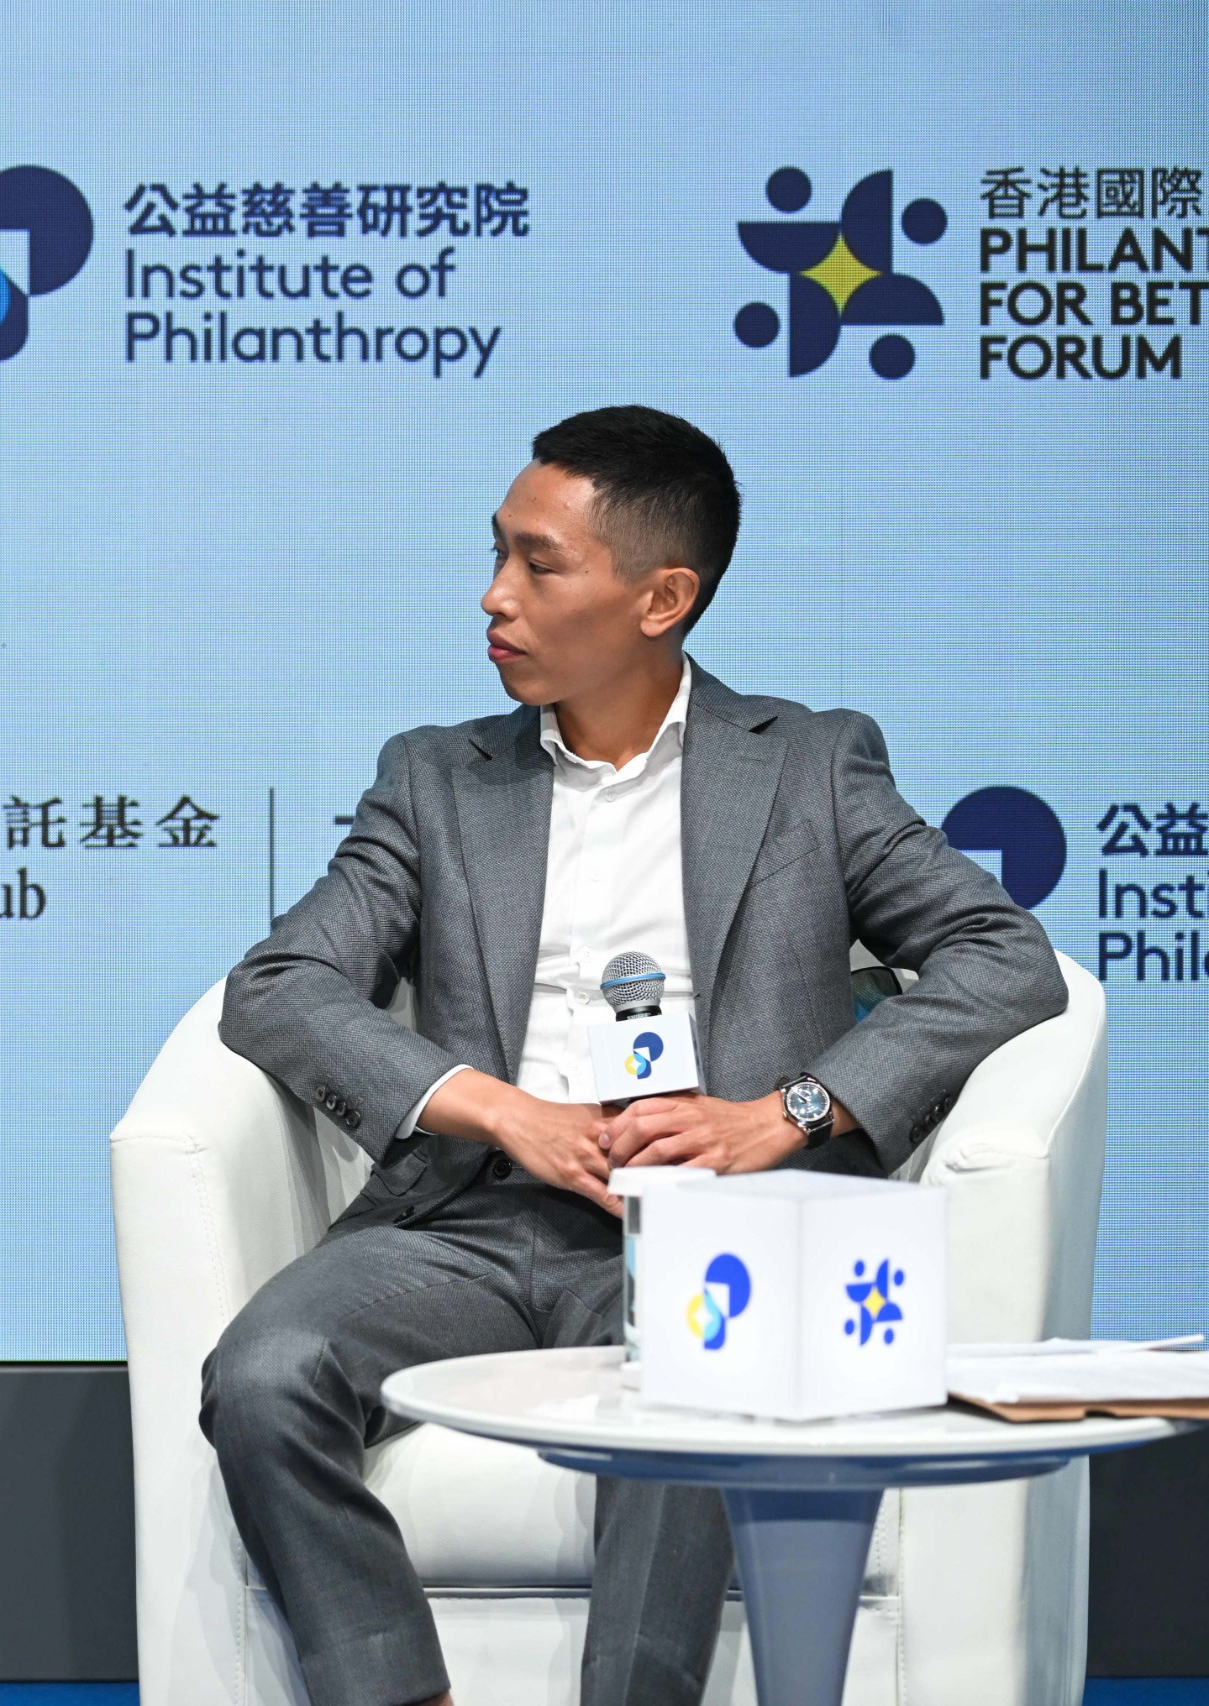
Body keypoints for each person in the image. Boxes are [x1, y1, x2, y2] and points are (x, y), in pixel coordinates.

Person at [200, 405, 1067, 1706]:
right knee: (261, 1372)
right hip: (473, 1221)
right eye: (496, 552)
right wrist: (496, 1109)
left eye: (538, 564)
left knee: (695, 1379)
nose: (493, 596)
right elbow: (282, 983)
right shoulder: (436, 778)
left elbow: (1006, 956)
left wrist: (789, 1110)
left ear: (663, 595)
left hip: (704, 1222)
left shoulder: (812, 765)